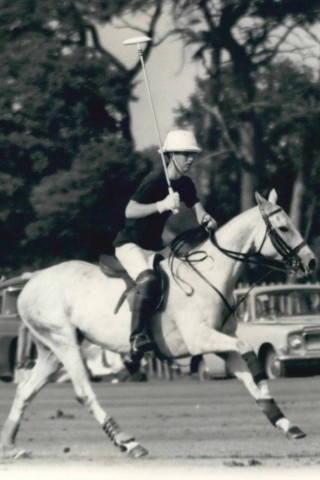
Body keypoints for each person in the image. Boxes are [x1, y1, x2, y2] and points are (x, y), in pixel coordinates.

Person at [113, 129, 217, 374]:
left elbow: (199, 210)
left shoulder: (185, 184)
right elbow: (129, 211)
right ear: (170, 155)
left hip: (154, 246)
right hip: (130, 244)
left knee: (186, 272)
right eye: (185, 154)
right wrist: (161, 205)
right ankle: (137, 339)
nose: (190, 159)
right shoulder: (156, 179)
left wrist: (207, 219)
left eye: (192, 154)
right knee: (148, 280)